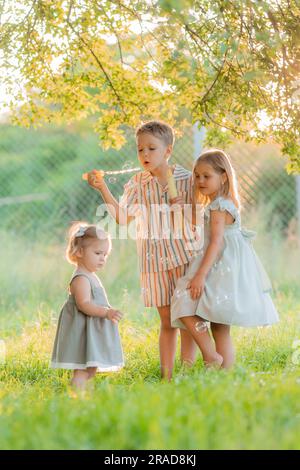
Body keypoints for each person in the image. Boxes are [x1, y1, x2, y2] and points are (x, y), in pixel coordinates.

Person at [86, 120, 201, 380]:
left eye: (151, 148)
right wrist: (103, 188)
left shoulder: (186, 179)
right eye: (140, 150)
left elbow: (197, 218)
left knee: (187, 316)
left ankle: (188, 371)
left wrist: (183, 206)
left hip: (185, 257)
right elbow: (122, 218)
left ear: (167, 151)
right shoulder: (137, 183)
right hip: (154, 262)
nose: (145, 155)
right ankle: (167, 376)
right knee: (168, 320)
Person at [171, 148, 279, 369]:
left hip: (221, 267)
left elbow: (216, 241)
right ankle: (224, 373)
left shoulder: (219, 206)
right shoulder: (220, 202)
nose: (200, 180)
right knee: (220, 327)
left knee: (184, 300)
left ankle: (212, 357)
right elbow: (204, 225)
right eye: (197, 175)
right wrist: (182, 207)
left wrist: (200, 275)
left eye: (206, 176)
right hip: (226, 266)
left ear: (223, 177)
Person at [51, 222, 124, 389]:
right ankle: (77, 393)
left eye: (105, 255)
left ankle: (80, 391)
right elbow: (84, 304)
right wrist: (106, 312)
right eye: (98, 253)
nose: (102, 258)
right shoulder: (81, 278)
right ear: (80, 252)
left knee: (90, 369)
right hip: (82, 333)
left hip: (90, 332)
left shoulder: (89, 275)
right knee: (83, 369)